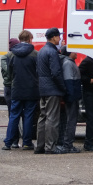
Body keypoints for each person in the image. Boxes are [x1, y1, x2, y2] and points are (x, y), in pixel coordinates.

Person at [3, 31, 39, 151]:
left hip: (16, 89)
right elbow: (38, 72)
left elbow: (9, 72)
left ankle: (8, 142)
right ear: (29, 39)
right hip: (31, 90)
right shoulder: (35, 54)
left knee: (14, 116)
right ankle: (27, 142)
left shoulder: (12, 54)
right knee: (28, 116)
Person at [36, 27, 67, 155]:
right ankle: (50, 147)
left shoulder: (41, 51)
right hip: (52, 89)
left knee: (42, 117)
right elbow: (56, 72)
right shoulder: (52, 52)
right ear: (53, 37)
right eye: (58, 36)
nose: (59, 39)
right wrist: (63, 88)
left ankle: (40, 146)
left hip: (42, 88)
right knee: (52, 118)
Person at [57, 46, 82, 153]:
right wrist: (71, 97)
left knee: (70, 120)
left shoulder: (69, 63)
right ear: (69, 53)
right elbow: (68, 81)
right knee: (71, 121)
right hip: (71, 97)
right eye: (74, 51)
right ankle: (68, 145)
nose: (76, 53)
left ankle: (66, 143)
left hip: (72, 96)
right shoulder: (68, 64)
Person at [0, 37, 21, 148]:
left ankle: (14, 139)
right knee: (13, 114)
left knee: (13, 114)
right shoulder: (6, 57)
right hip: (10, 87)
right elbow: (9, 71)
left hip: (10, 87)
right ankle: (14, 139)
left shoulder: (6, 58)